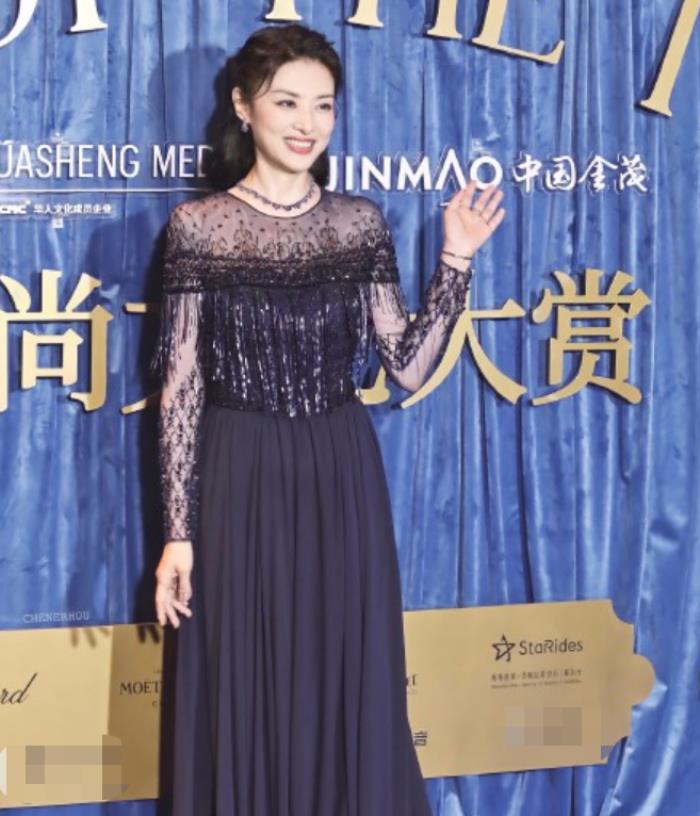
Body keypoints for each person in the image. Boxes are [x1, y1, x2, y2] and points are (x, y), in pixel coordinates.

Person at [151, 22, 504, 816]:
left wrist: (455, 259)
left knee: (348, 669)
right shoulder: (198, 228)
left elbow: (406, 364)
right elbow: (180, 387)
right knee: (243, 674)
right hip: (239, 472)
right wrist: (178, 532)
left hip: (342, 470)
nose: (306, 122)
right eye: (287, 102)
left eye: (324, 105)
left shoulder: (359, 223)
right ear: (243, 107)